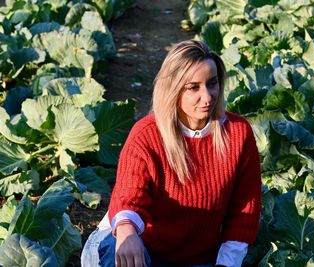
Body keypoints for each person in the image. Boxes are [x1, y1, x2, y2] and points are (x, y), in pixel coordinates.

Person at [81, 39, 262, 267]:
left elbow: (243, 211)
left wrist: (226, 264)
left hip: (198, 259)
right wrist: (127, 232)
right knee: (118, 255)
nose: (207, 97)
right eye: (193, 87)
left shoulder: (238, 133)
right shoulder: (147, 134)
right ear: (173, 89)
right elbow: (129, 196)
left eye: (212, 83)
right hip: (141, 246)